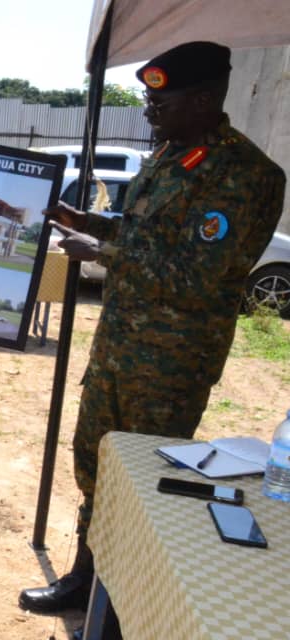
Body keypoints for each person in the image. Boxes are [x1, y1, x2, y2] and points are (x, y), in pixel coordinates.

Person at [19, 41, 286, 623]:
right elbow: (147, 231)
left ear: (205, 99)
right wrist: (86, 221)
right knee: (95, 466)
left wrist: (105, 252)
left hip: (169, 365)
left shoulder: (247, 175)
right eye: (148, 99)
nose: (148, 111)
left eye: (161, 102)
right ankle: (85, 579)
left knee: (140, 487)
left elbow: (196, 273)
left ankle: (117, 605)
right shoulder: (172, 156)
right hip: (119, 348)